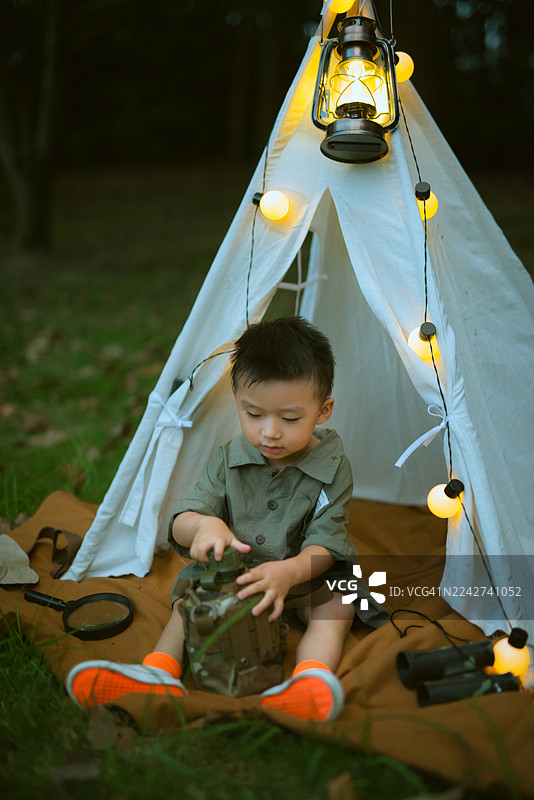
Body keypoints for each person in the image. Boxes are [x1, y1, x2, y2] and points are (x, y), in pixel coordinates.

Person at [67, 316, 360, 721]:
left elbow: (326, 541)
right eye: (253, 414)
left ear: (323, 411)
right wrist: (205, 526)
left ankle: (310, 679)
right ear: (237, 399)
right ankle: (159, 671)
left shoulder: (333, 466)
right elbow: (181, 521)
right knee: (190, 604)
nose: (270, 432)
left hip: (300, 577)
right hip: (230, 579)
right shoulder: (228, 459)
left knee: (339, 603)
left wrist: (289, 573)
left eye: (290, 419)